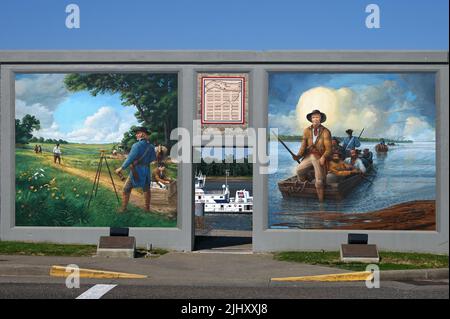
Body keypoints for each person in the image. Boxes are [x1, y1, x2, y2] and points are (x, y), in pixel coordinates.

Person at [293, 109, 332, 202]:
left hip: (319, 156)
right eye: (313, 117)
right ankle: (307, 191)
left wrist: (323, 157)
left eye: (317, 117)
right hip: (308, 156)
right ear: (311, 119)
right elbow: (303, 147)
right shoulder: (306, 131)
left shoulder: (326, 131)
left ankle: (321, 203)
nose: (315, 119)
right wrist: (298, 156)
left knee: (319, 182)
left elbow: (329, 149)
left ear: (320, 119)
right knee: (299, 171)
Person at [115, 127, 156, 213]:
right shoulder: (151, 146)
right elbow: (153, 159)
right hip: (147, 170)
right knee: (146, 189)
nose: (136, 135)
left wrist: (121, 168)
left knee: (126, 189)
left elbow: (130, 159)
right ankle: (147, 209)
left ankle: (123, 209)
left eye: (137, 133)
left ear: (142, 134)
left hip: (137, 170)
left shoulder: (136, 145)